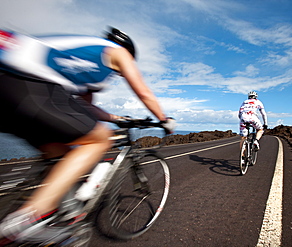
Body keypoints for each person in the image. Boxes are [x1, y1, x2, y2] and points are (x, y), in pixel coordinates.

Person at [0, 27, 175, 244]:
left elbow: (85, 109)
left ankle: (53, 213)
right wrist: (164, 119)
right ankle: (27, 219)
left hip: (8, 89)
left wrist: (116, 118)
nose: (119, 73)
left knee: (61, 154)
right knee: (99, 140)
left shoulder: (85, 60)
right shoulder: (118, 52)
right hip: (29, 83)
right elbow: (143, 92)